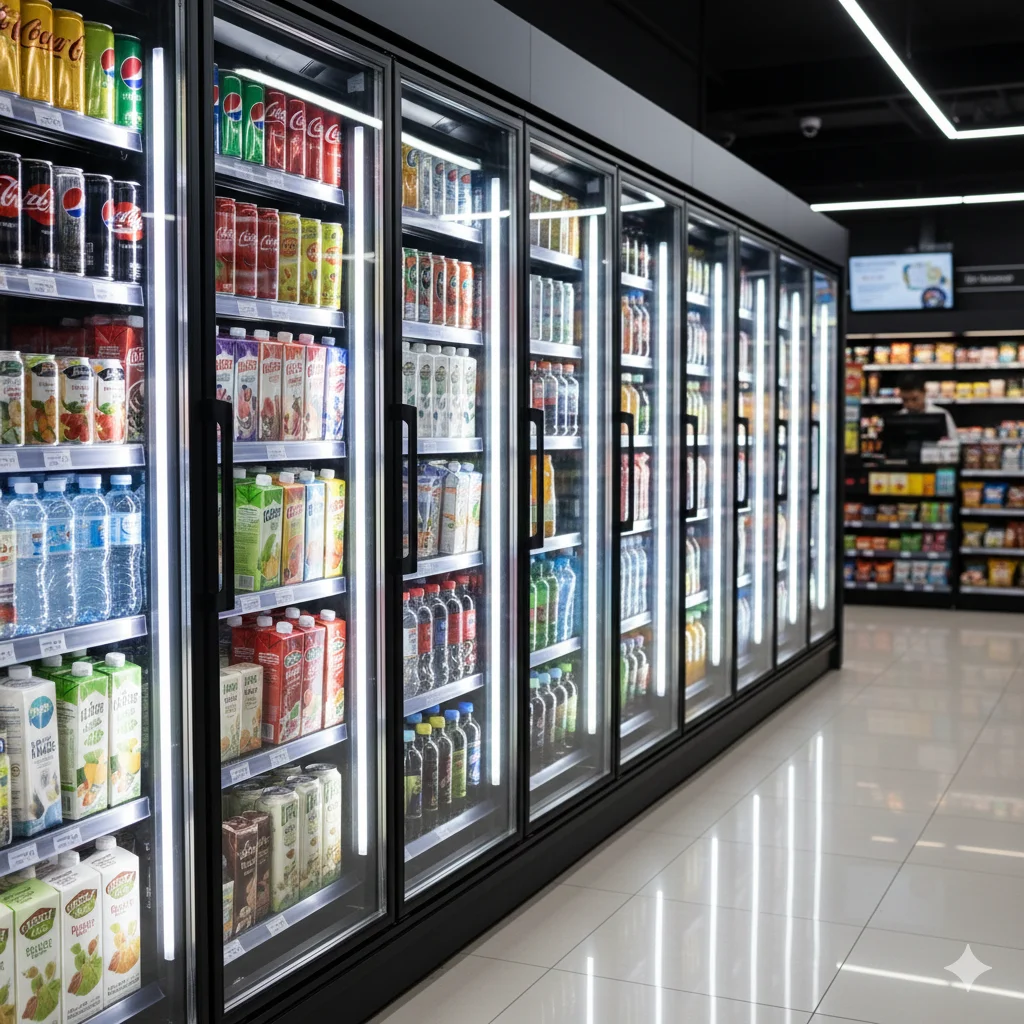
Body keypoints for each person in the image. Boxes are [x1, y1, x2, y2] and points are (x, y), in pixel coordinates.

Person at [897, 374, 957, 440]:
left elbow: (954, 441)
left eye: (914, 399)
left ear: (924, 393)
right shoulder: (898, 418)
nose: (910, 404)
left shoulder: (942, 413)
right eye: (905, 400)